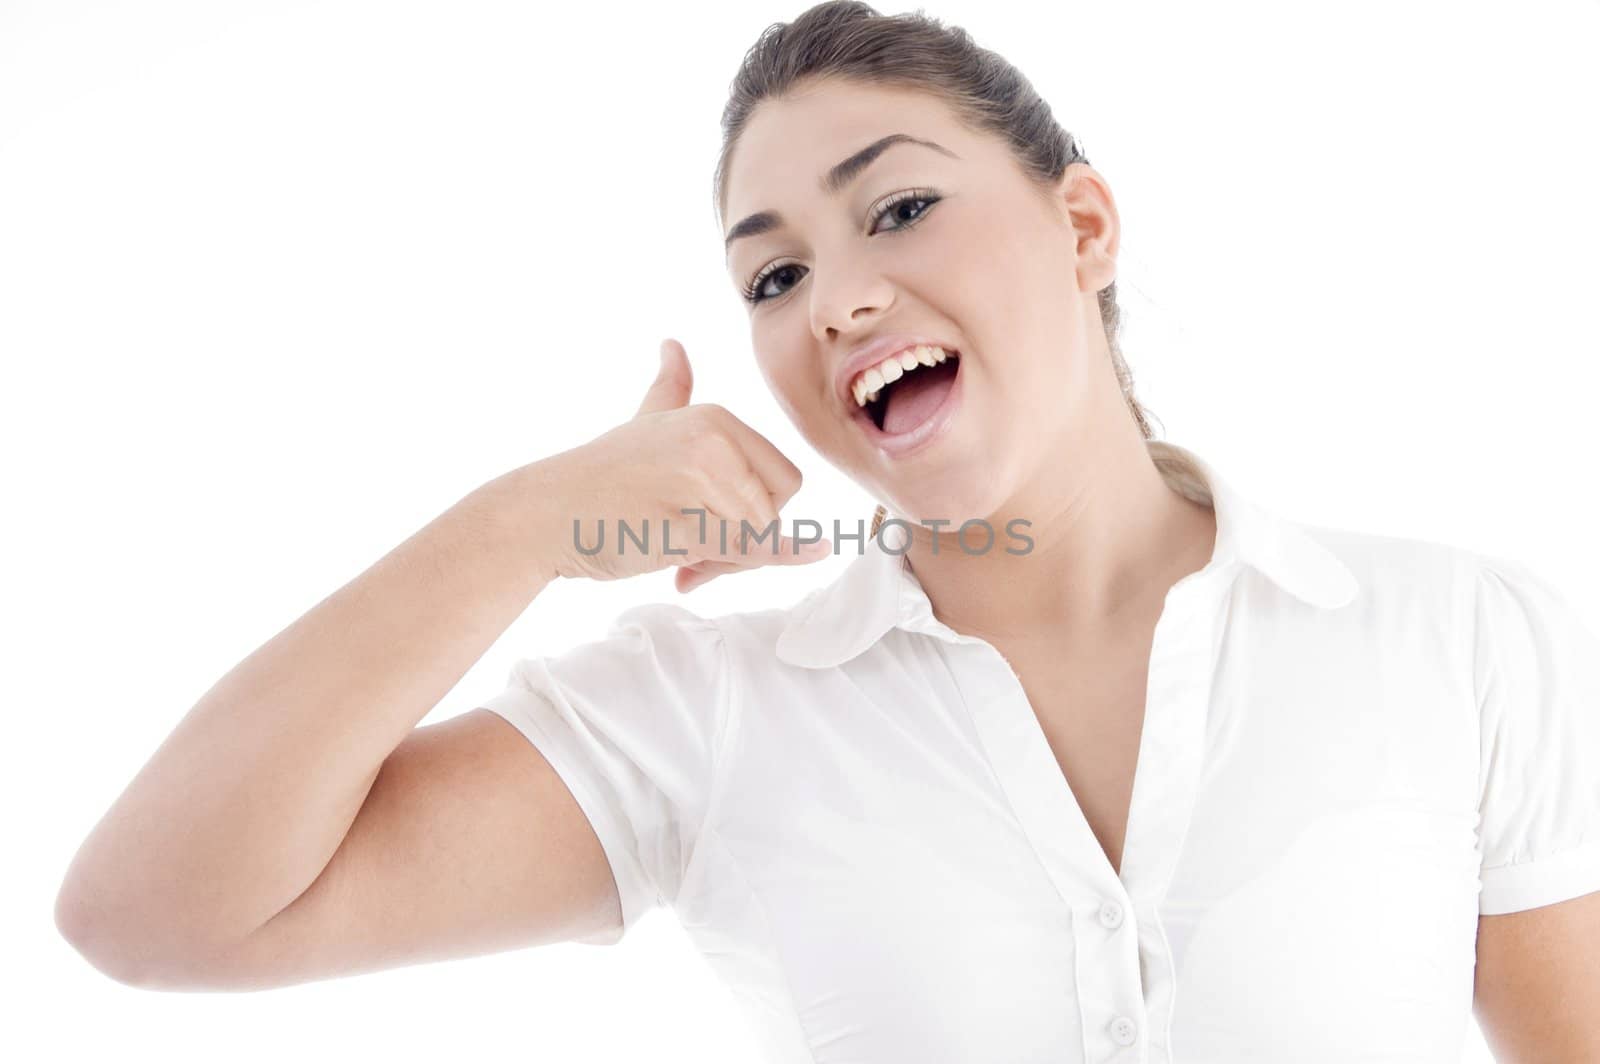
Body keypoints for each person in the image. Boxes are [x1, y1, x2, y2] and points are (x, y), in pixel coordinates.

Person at [54, 2, 1600, 1060]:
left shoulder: (1464, 641)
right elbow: (155, 912)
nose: (839, 296)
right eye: (773, 277)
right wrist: (523, 525)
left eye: (900, 208)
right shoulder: (709, 714)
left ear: (1083, 228)